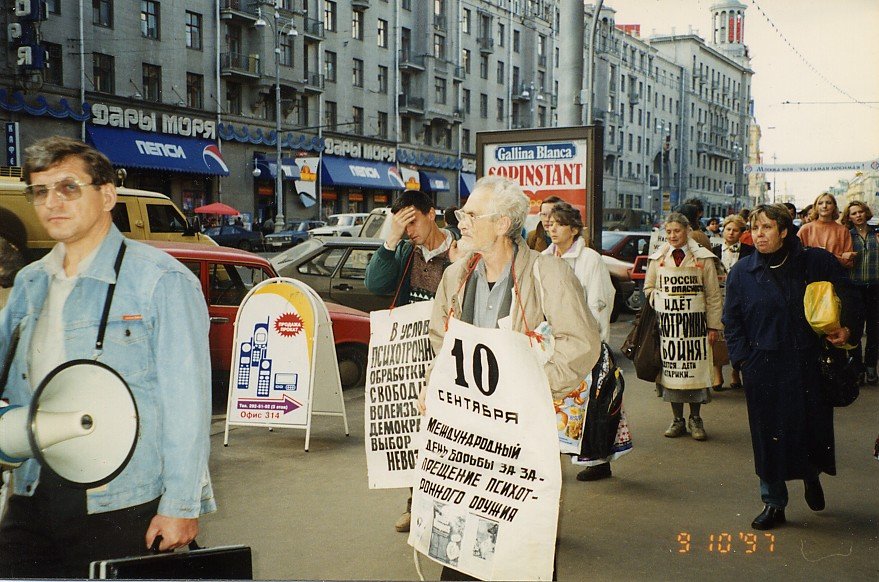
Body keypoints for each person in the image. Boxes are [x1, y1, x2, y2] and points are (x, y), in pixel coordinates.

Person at [0, 137, 215, 577]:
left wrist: (180, 505)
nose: (52, 202)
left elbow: (187, 404)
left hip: (120, 498)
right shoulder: (29, 283)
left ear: (107, 195)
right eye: (40, 191)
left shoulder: (159, 280)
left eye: (68, 187)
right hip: (33, 488)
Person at [422, 176, 601, 581]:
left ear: (502, 223)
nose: (461, 222)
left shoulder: (546, 272)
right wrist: (436, 385)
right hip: (466, 433)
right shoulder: (456, 275)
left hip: (521, 431)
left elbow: (582, 344)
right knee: (461, 545)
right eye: (462, 213)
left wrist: (529, 387)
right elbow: (442, 340)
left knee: (518, 546)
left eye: (471, 215)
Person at [723, 203, 858, 530]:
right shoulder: (742, 272)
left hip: (807, 362)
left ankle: (811, 476)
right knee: (767, 436)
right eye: (755, 228)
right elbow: (732, 320)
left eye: (767, 228)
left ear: (784, 231)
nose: (759, 235)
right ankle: (773, 502)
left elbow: (850, 296)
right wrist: (743, 361)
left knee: (809, 429)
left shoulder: (815, 262)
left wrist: (847, 328)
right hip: (763, 365)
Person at [364, 189, 456, 533]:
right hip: (415, 357)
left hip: (449, 354)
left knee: (450, 434)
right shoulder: (405, 251)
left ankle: (448, 510)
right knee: (415, 433)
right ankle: (415, 504)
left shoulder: (459, 249)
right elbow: (375, 284)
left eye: (413, 221)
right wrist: (391, 240)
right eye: (403, 225)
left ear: (432, 213)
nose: (410, 230)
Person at [542, 201, 618, 481]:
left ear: (574, 229)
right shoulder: (544, 257)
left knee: (591, 403)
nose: (552, 229)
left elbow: (599, 301)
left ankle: (598, 460)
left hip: (585, 340)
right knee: (558, 401)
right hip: (552, 340)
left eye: (559, 224)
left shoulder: (589, 259)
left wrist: (597, 342)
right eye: (550, 223)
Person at [644, 212, 722, 441]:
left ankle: (695, 419)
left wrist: (714, 327)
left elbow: (713, 295)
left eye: (677, 231)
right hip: (669, 329)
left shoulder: (703, 258)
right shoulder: (658, 258)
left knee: (694, 373)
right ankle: (677, 419)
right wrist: (660, 298)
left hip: (696, 329)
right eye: (668, 231)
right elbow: (649, 288)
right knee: (672, 374)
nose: (672, 236)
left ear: (688, 231)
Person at [711, 215, 753, 392]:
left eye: (735, 230)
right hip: (718, 297)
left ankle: (736, 372)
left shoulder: (750, 251)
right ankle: (718, 373)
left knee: (738, 334)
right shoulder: (713, 251)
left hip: (741, 297)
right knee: (718, 335)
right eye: (728, 229)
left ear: (741, 233)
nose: (731, 233)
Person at [841, 201, 878, 385]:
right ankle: (857, 369)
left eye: (860, 212)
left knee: (874, 330)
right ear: (849, 217)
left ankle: (871, 367)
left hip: (875, 287)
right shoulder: (847, 235)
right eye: (854, 213)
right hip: (854, 288)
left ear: (866, 213)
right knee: (854, 331)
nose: (858, 216)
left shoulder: (876, 234)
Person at [797, 193, 854, 268]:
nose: (824, 206)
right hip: (810, 273)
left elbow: (849, 262)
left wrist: (824, 256)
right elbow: (796, 256)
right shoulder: (805, 229)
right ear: (816, 207)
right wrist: (833, 256)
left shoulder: (843, 230)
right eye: (820, 203)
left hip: (835, 272)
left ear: (834, 207)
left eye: (828, 203)